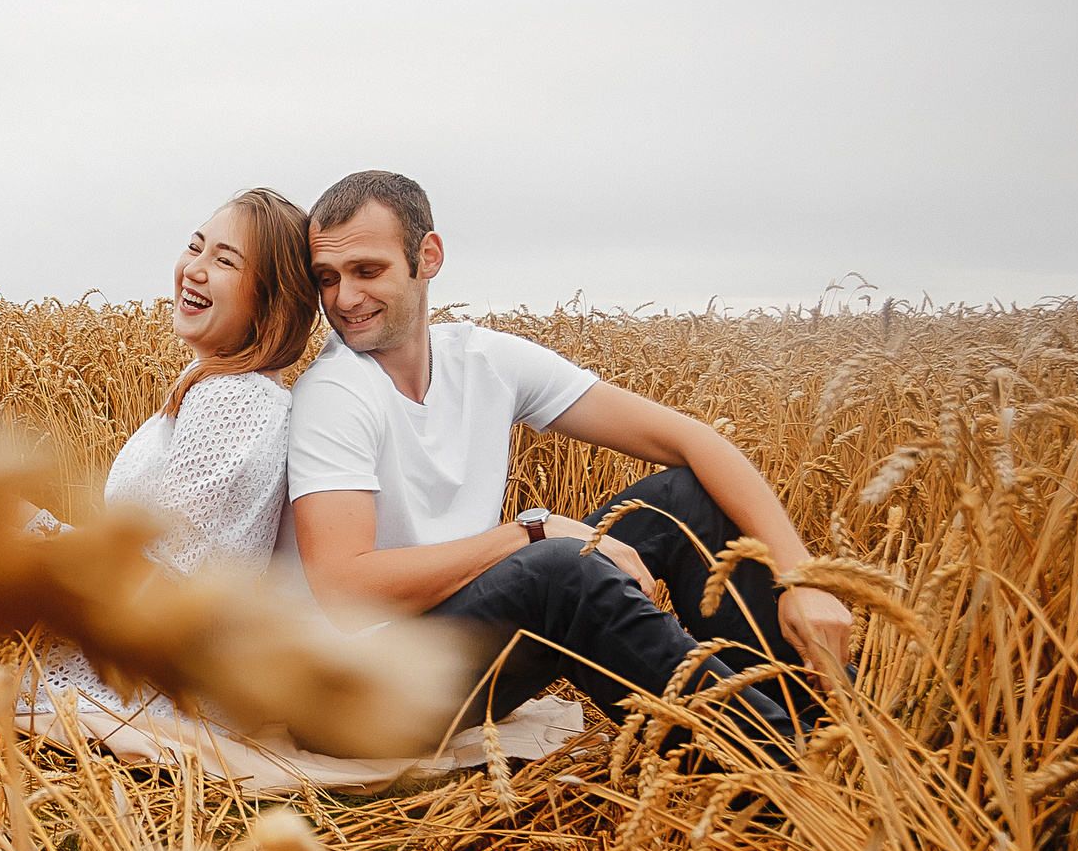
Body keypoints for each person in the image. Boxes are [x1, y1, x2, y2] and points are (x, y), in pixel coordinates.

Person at [20, 188, 582, 790]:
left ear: (271, 297)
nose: (196, 268)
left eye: (227, 261)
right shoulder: (218, 382)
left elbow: (166, 578)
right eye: (195, 245)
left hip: (155, 677)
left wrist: (27, 532)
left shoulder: (236, 401)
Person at [283, 170, 854, 761]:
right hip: (356, 698)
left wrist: (802, 580)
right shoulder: (336, 392)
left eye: (366, 271)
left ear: (427, 257)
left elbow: (694, 442)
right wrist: (531, 531)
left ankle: (823, 714)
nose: (343, 299)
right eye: (327, 278)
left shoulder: (480, 359)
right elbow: (345, 590)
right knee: (556, 566)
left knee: (682, 501)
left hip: (451, 648)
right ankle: (784, 762)